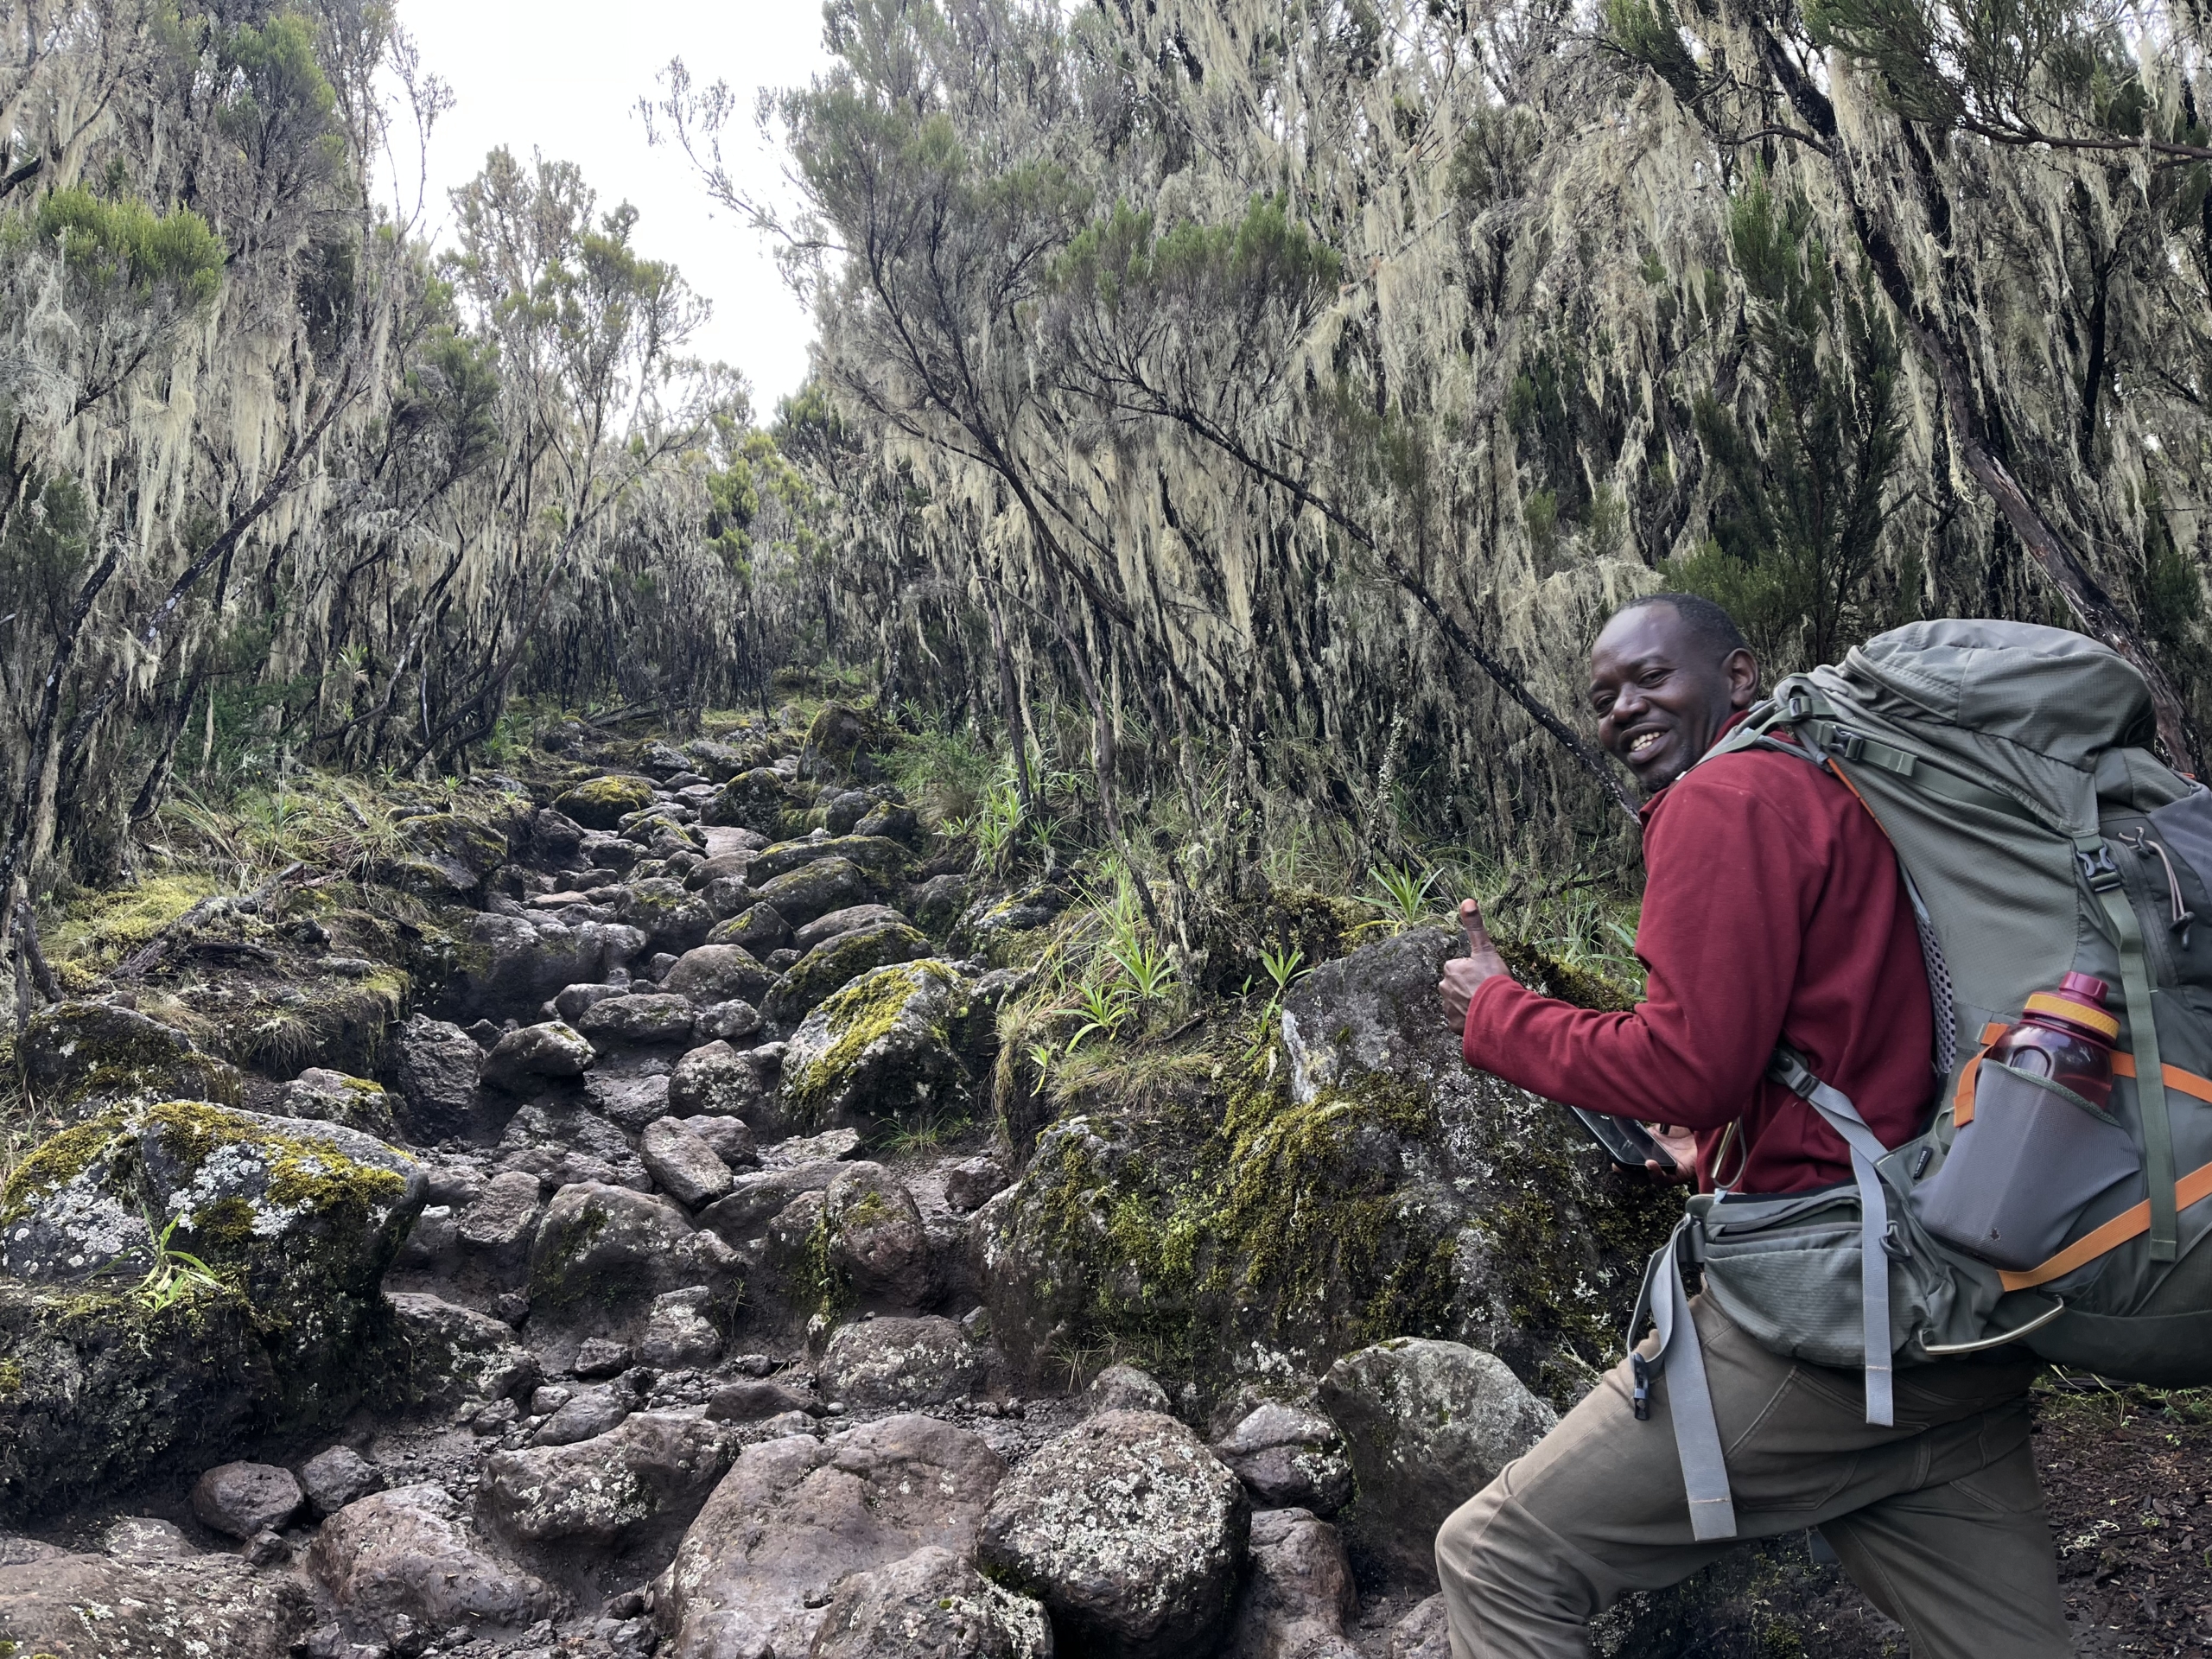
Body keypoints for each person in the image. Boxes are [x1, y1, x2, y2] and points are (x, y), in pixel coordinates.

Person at [1430, 594, 2069, 1659]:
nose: (1622, 708)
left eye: (1650, 677)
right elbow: (1839, 1040)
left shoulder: (1722, 799)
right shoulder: (1838, 786)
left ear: (1737, 676)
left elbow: (1688, 1066)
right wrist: (1729, 1141)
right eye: (1602, 696)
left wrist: (1499, 1012)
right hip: (1960, 1305)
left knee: (1497, 1559)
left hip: (1840, 1322)